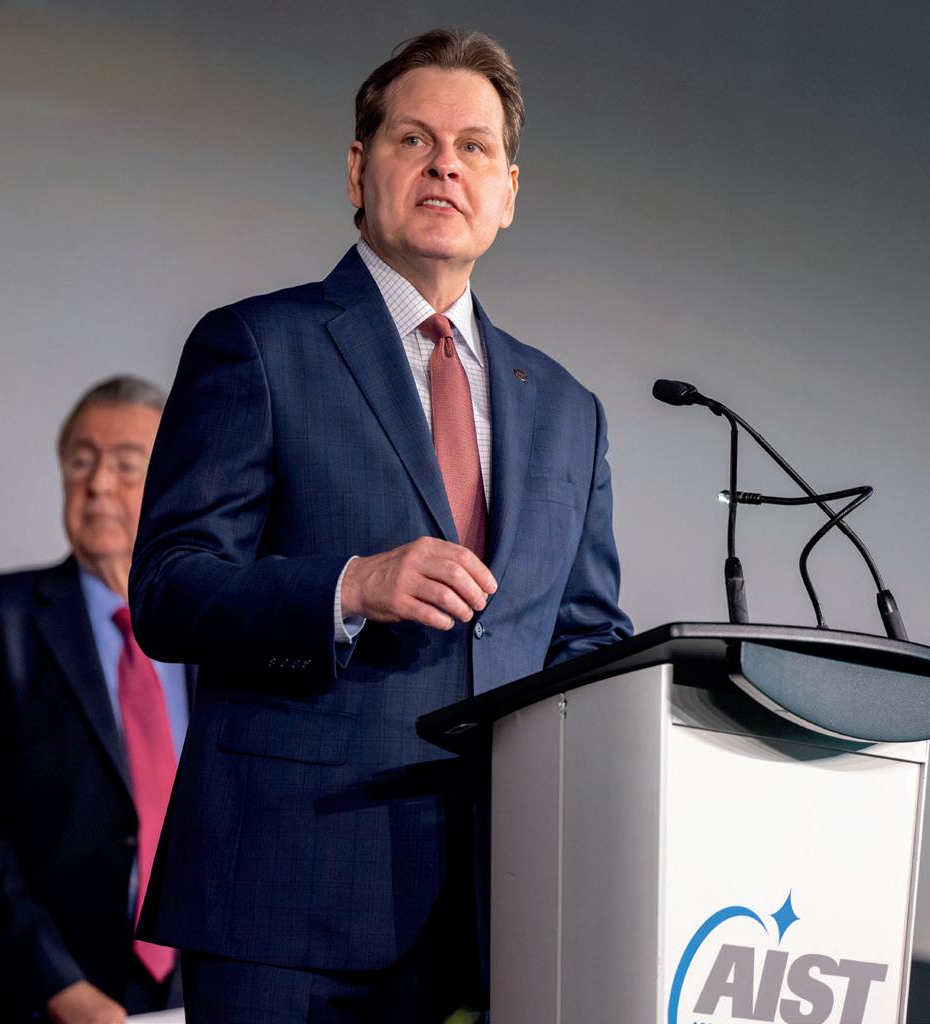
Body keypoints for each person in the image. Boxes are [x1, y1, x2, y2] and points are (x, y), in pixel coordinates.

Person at [128, 27, 632, 1023]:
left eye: (474, 147)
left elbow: (584, 639)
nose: (446, 164)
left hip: (484, 913)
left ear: (508, 193)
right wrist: (349, 585)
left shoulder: (567, 410)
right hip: (283, 892)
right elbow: (170, 588)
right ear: (360, 171)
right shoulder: (257, 346)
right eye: (415, 140)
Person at [0, 376, 191, 1023]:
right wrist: (60, 987)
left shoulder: (209, 639)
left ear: (172, 482)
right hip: (29, 999)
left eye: (125, 464)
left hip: (183, 1001)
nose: (97, 484)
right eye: (80, 461)